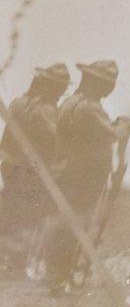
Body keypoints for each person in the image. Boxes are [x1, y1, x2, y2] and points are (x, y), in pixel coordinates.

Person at [42, 60, 130, 295]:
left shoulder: (69, 103)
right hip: (82, 179)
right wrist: (124, 122)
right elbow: (113, 134)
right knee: (75, 228)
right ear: (96, 82)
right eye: (108, 84)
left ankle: (56, 277)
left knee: (63, 227)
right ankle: (62, 279)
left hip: (63, 172)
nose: (110, 89)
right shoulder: (91, 108)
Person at [0, 64, 70, 267]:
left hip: (11, 167)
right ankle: (16, 263)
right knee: (28, 216)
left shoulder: (17, 104)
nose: (60, 94)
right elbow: (58, 143)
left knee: (9, 211)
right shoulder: (48, 112)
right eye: (59, 89)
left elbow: (6, 140)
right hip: (35, 172)